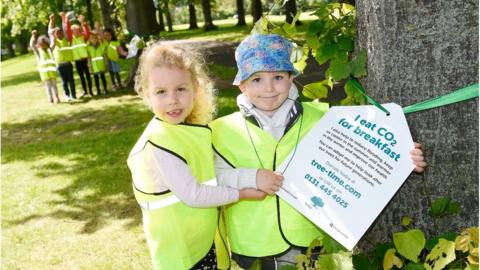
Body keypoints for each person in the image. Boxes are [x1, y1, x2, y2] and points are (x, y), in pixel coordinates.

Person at [209, 34, 427, 269]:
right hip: (252, 246)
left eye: (278, 77)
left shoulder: (324, 118)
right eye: (257, 79)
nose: (269, 88)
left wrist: (403, 160)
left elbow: (361, 156)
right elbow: (210, 181)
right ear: (242, 85)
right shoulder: (220, 131)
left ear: (291, 79)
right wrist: (251, 178)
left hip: (311, 241)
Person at [126, 42, 269, 270]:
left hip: (200, 242)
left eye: (181, 89)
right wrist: (242, 194)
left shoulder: (182, 130)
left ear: (195, 88)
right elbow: (193, 194)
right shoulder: (159, 141)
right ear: (147, 94)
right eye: (161, 92)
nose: (172, 99)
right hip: (182, 252)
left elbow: (208, 174)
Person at [62, 12, 93, 97]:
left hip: (84, 59)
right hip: (77, 60)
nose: (76, 32)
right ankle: (85, 91)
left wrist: (83, 22)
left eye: (78, 31)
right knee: (81, 76)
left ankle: (90, 91)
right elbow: (67, 30)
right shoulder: (71, 39)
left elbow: (87, 32)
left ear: (80, 31)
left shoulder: (84, 37)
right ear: (72, 32)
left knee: (87, 75)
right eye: (74, 31)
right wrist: (66, 19)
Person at [48, 14, 76, 101]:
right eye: (57, 33)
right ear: (55, 35)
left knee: (71, 80)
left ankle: (74, 95)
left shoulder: (66, 40)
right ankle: (67, 95)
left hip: (68, 64)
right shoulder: (55, 42)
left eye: (61, 33)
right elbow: (50, 31)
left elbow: (66, 28)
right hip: (60, 65)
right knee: (64, 82)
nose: (59, 34)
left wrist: (64, 18)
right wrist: (51, 21)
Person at [30, 30, 60, 104]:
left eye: (45, 44)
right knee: (48, 87)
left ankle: (57, 97)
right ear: (39, 45)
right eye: (41, 44)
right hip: (45, 73)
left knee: (54, 86)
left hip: (52, 72)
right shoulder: (39, 52)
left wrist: (53, 36)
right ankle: (51, 99)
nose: (43, 46)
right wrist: (33, 37)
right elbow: (32, 45)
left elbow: (54, 43)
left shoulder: (50, 50)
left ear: (47, 44)